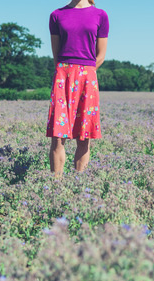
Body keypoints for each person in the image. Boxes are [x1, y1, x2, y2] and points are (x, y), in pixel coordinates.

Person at [46, 0, 109, 177]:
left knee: (84, 137)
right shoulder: (56, 15)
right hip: (63, 74)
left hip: (88, 76)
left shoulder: (100, 15)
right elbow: (56, 55)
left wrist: (85, 74)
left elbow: (101, 55)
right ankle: (55, 186)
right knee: (57, 137)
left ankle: (79, 186)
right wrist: (66, 73)